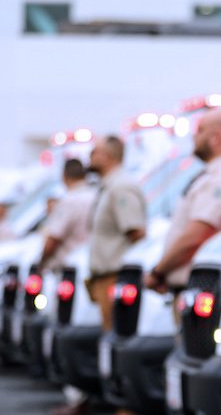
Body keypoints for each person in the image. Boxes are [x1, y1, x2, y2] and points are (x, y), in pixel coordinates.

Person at [143, 109, 221, 313]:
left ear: (216, 137)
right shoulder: (216, 174)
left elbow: (196, 235)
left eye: (200, 131)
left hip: (203, 292)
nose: (194, 137)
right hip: (194, 290)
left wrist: (158, 272)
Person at [86, 135, 147, 332]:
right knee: (109, 335)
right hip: (106, 279)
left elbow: (136, 232)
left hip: (117, 279)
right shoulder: (108, 187)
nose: (90, 157)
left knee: (116, 336)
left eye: (94, 152)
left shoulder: (121, 187)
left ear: (108, 156)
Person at [39, 159, 96, 273]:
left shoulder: (69, 200)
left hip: (68, 269)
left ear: (64, 176)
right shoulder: (97, 195)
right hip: (92, 263)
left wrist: (41, 263)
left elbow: (53, 238)